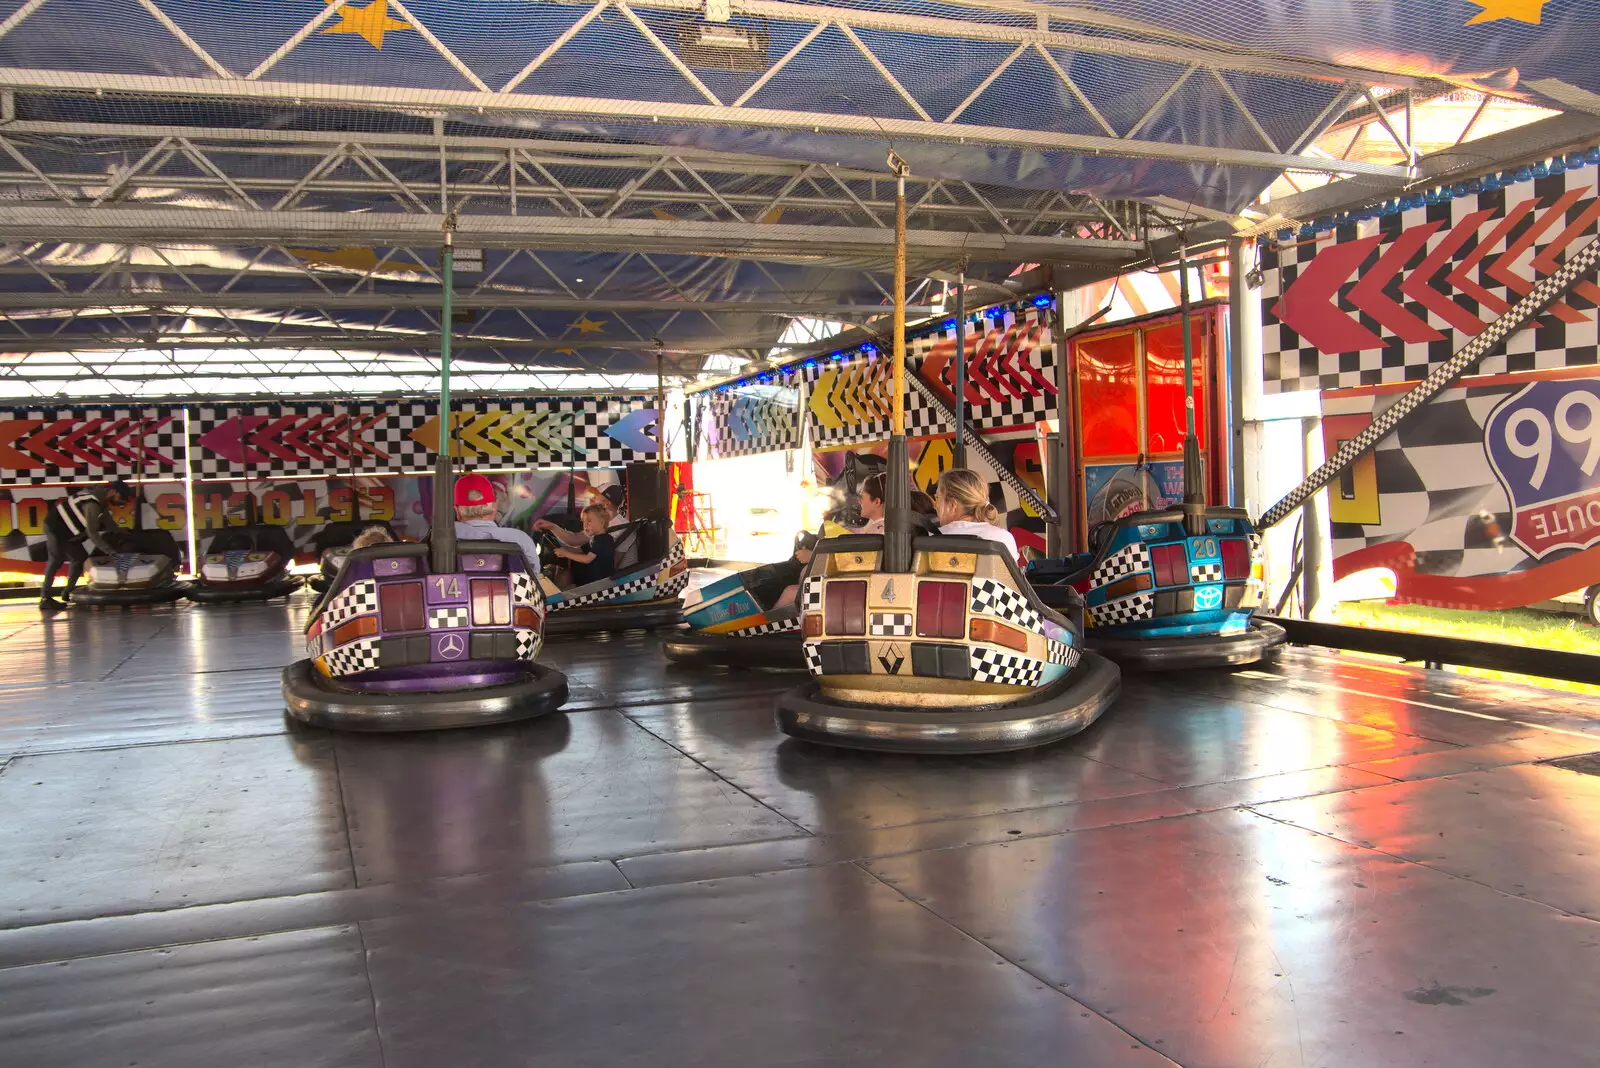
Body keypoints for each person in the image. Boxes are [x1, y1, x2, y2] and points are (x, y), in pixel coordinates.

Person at [40, 479, 133, 611]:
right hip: (55, 529)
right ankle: (45, 599)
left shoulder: (100, 500)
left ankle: (68, 592)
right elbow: (92, 533)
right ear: (112, 492)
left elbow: (107, 520)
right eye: (120, 497)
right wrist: (110, 551)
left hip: (68, 534)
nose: (121, 502)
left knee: (80, 559)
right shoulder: (92, 504)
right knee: (56, 560)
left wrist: (120, 531)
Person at [934, 468, 1019, 563]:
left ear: (952, 505)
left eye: (937, 498)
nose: (935, 505)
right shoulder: (1004, 538)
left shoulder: (930, 538)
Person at [453, 473, 539, 565]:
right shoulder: (521, 540)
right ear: (494, 506)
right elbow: (533, 575)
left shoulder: (438, 537)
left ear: (457, 511)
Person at [552, 503, 616, 589]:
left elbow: (587, 559)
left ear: (602, 522)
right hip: (591, 583)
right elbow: (580, 550)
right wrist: (565, 549)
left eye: (589, 521)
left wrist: (566, 554)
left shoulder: (604, 540)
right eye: (584, 522)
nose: (585, 525)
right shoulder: (595, 538)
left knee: (563, 594)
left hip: (601, 586)